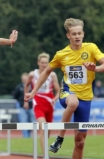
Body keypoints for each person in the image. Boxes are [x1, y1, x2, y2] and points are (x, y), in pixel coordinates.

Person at [24, 18, 104, 159]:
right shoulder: (61, 54)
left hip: (86, 97)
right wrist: (33, 91)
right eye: (74, 34)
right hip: (67, 92)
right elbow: (46, 72)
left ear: (83, 34)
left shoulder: (91, 48)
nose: (77, 36)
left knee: (80, 142)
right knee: (73, 103)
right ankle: (60, 138)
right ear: (68, 35)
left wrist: (95, 68)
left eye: (79, 33)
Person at [24, 52, 60, 156]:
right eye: (42, 62)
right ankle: (45, 155)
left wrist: (55, 98)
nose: (44, 65)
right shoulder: (32, 74)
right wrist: (25, 100)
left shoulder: (52, 75)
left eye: (46, 63)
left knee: (47, 131)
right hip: (38, 103)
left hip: (49, 104)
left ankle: (44, 149)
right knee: (43, 128)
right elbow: (26, 85)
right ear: (38, 63)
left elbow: (58, 90)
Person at [13, 72, 33, 138]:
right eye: (23, 79)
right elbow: (15, 96)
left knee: (32, 121)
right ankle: (26, 136)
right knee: (24, 121)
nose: (24, 80)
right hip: (22, 107)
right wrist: (21, 102)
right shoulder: (19, 87)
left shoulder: (32, 86)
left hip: (32, 107)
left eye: (25, 79)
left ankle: (30, 134)